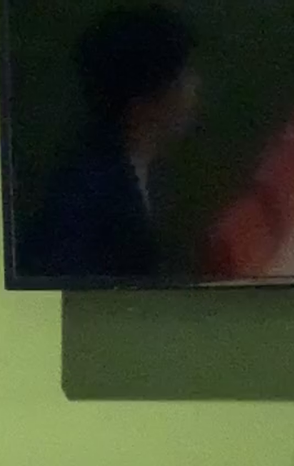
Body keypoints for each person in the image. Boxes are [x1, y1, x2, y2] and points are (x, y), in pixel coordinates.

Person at [18, 3, 200, 280]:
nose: (195, 88)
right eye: (184, 78)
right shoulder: (86, 193)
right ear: (142, 104)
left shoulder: (145, 172)